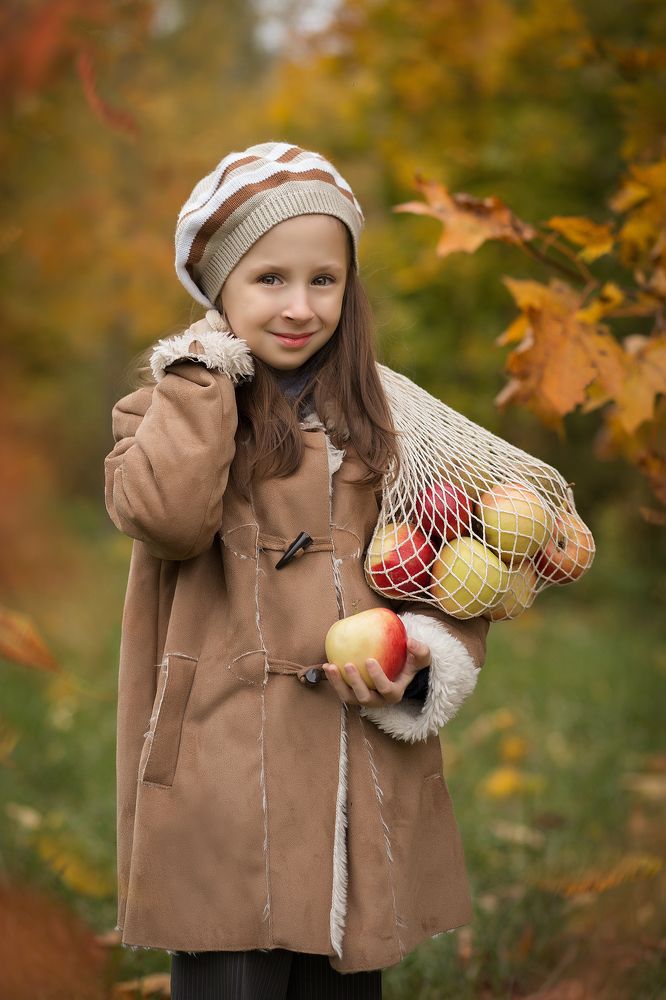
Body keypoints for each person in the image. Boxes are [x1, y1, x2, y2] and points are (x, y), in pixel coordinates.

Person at [104, 141, 490, 1000]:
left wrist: (427, 648)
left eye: (325, 278)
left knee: (340, 984)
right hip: (220, 769)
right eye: (268, 278)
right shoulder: (164, 410)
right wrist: (204, 373)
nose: (300, 305)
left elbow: (454, 569)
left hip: (356, 768)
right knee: (232, 976)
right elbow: (166, 520)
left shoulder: (392, 425)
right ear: (218, 292)